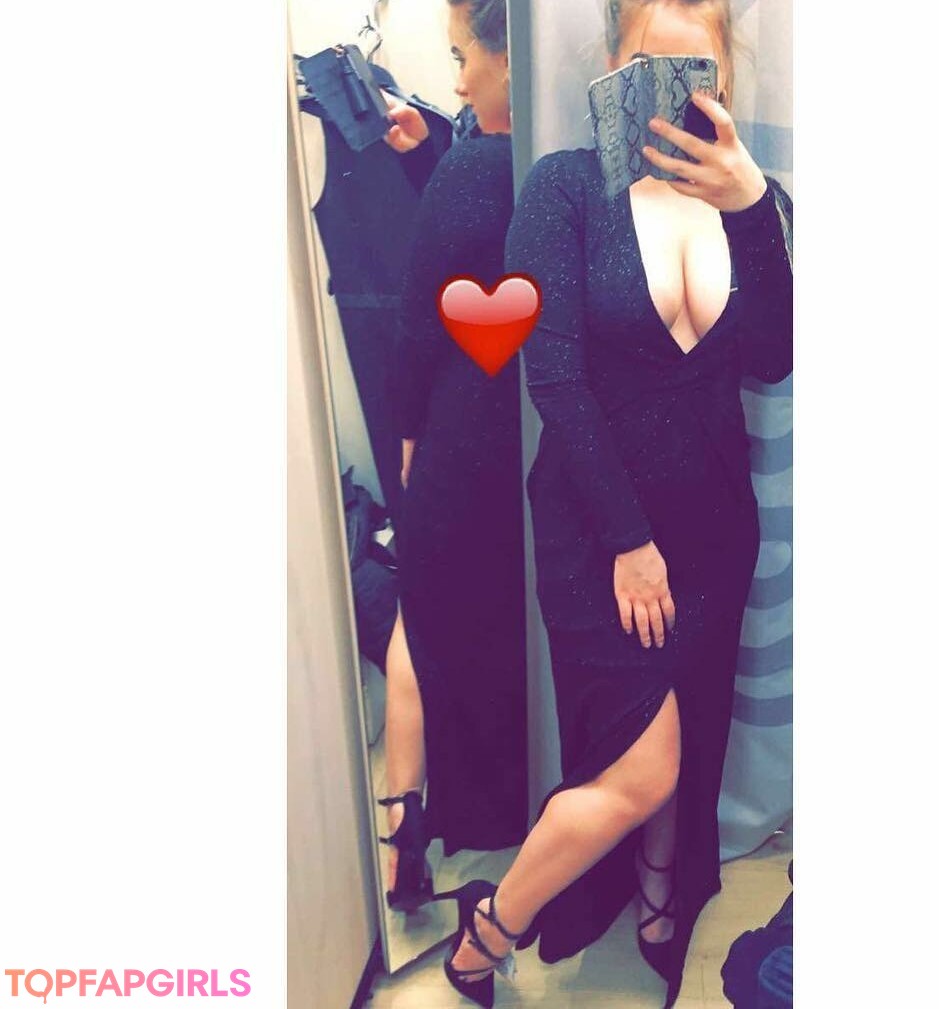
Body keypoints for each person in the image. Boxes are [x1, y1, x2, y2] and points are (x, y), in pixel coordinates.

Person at [434, 1, 793, 1006]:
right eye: (649, 68)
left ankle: (660, 897)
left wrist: (750, 205)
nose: (673, 95)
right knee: (641, 765)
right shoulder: (564, 188)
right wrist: (630, 542)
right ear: (611, 68)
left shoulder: (750, 201)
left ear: (725, 77)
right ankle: (490, 928)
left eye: (697, 70)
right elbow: (552, 378)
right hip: (599, 531)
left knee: (693, 733)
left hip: (716, 529)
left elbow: (775, 356)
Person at [374, 0, 529, 912]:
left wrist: (405, 435)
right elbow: (487, 257)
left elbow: (418, 324)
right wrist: (427, 153)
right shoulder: (557, 165)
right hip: (520, 447)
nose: (458, 80)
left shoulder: (472, 166)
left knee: (417, 622)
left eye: (464, 56)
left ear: (509, 59)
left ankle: (402, 835)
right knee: (479, 630)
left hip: (457, 441)